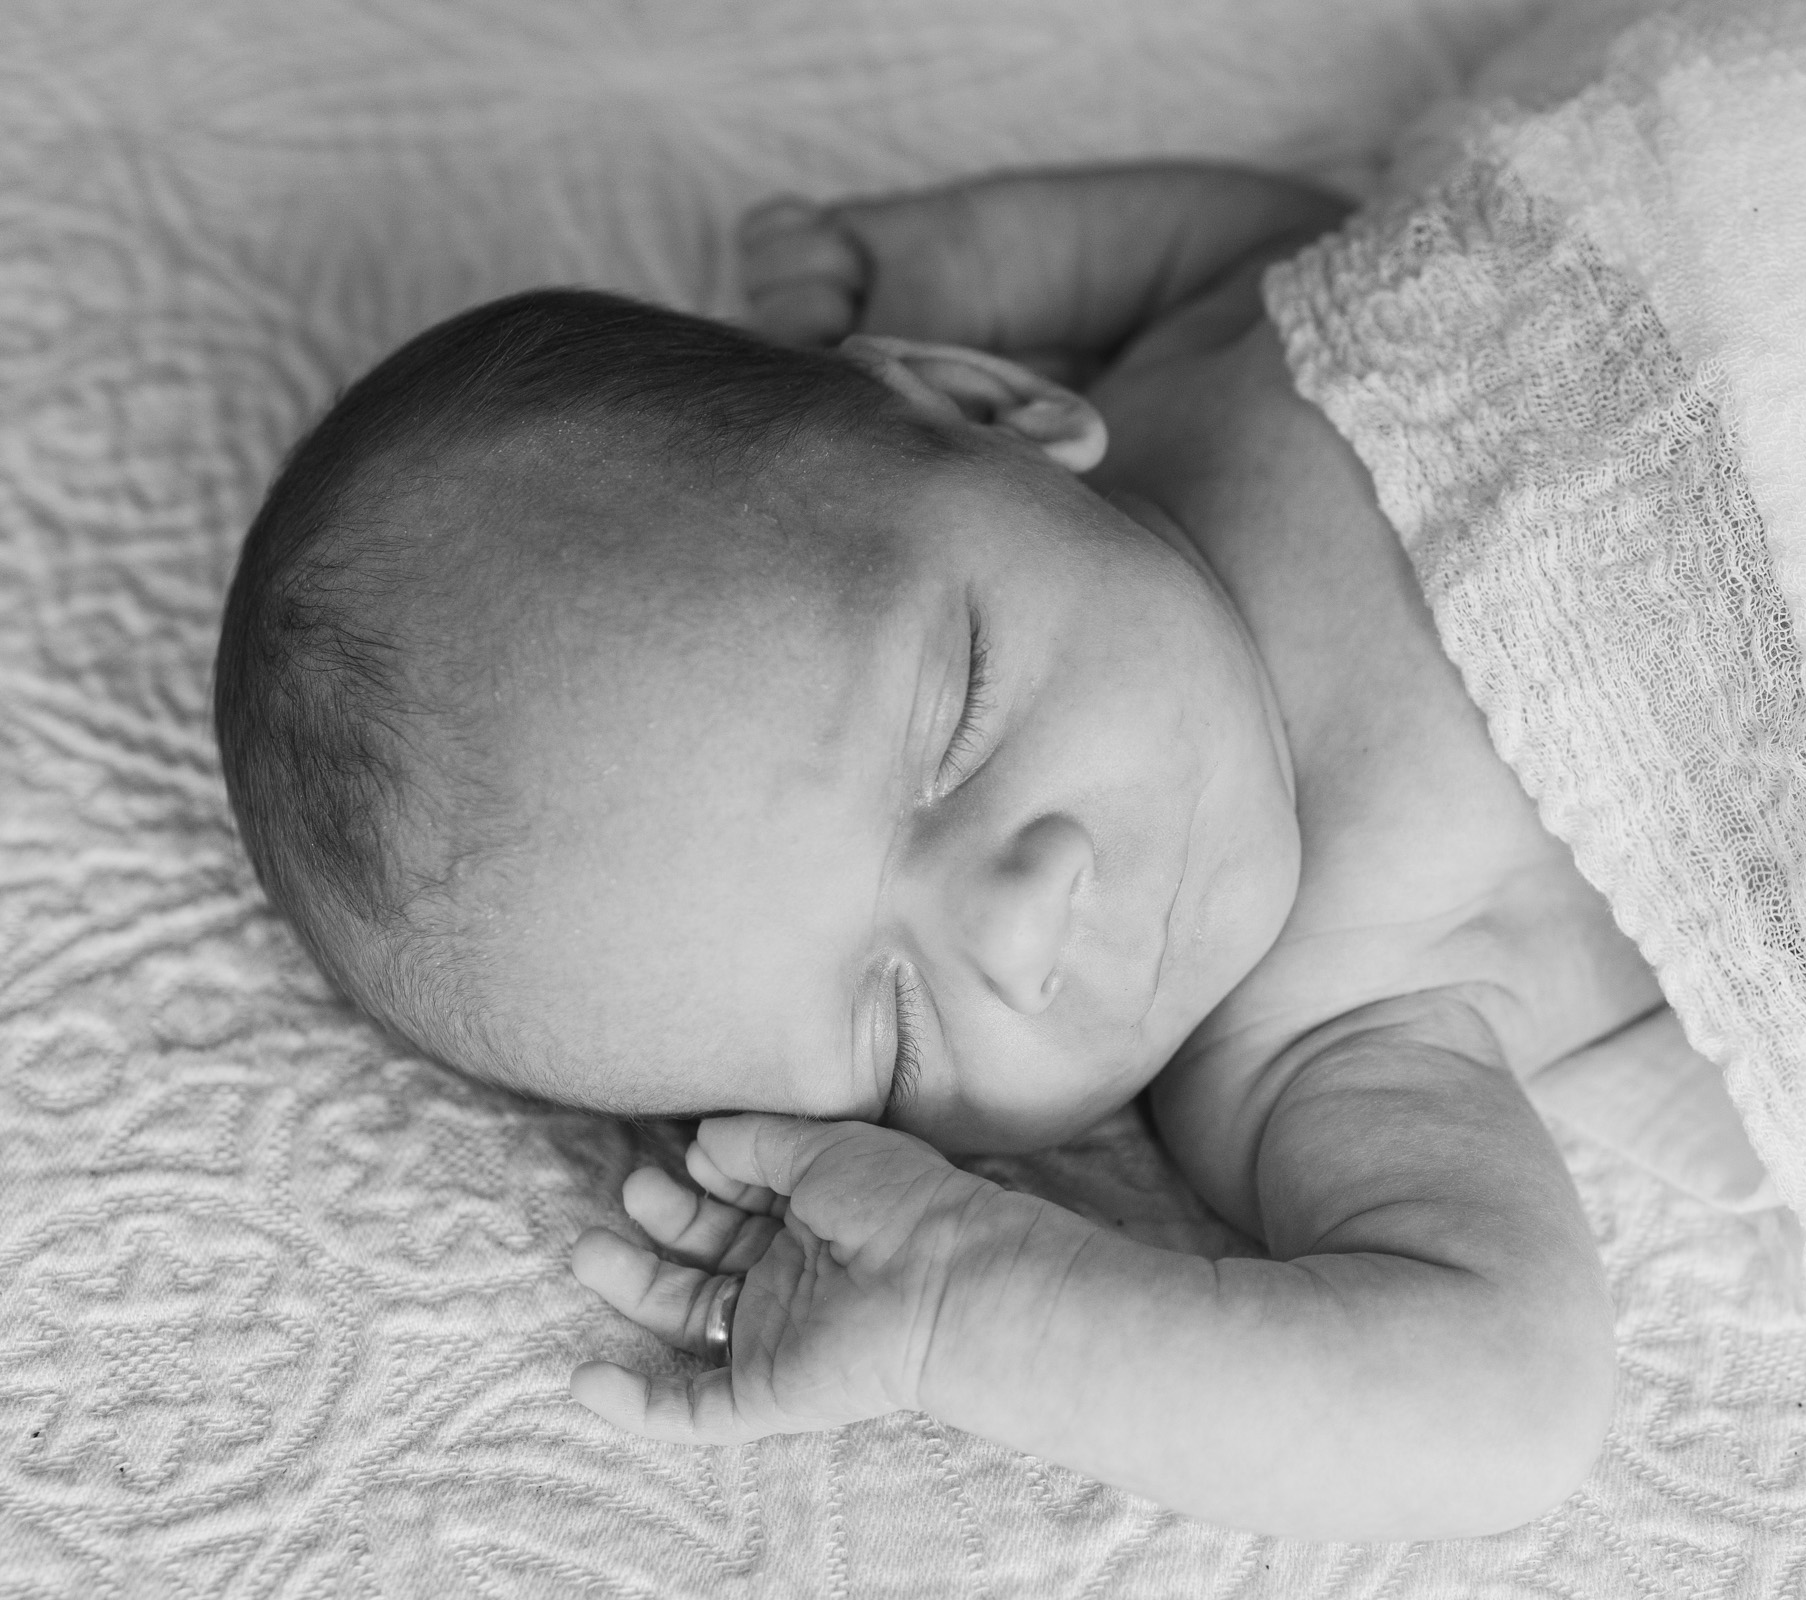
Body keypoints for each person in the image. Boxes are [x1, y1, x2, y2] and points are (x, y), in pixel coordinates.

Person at [211, 164, 1667, 1539]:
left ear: (989, 401)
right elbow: (1505, 1401)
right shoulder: (1324, 1042)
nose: (1019, 921)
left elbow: (1278, 229)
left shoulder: (1207, 372)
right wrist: (979, 1306)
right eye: (896, 1030)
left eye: (960, 717)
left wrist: (958, 254)